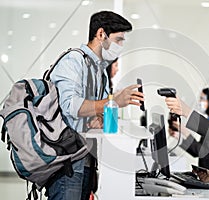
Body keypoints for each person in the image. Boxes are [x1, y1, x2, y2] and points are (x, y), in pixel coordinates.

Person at [47, 11, 144, 200]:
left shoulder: (100, 71)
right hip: (68, 163)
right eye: (118, 40)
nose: (121, 46)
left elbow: (95, 114)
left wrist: (98, 116)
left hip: (88, 161)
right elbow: (71, 106)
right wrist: (113, 101)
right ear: (101, 34)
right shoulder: (74, 61)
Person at [169, 87, 209, 177]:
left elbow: (202, 151)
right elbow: (196, 152)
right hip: (206, 175)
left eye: (202, 99)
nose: (199, 102)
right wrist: (178, 136)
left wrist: (185, 131)